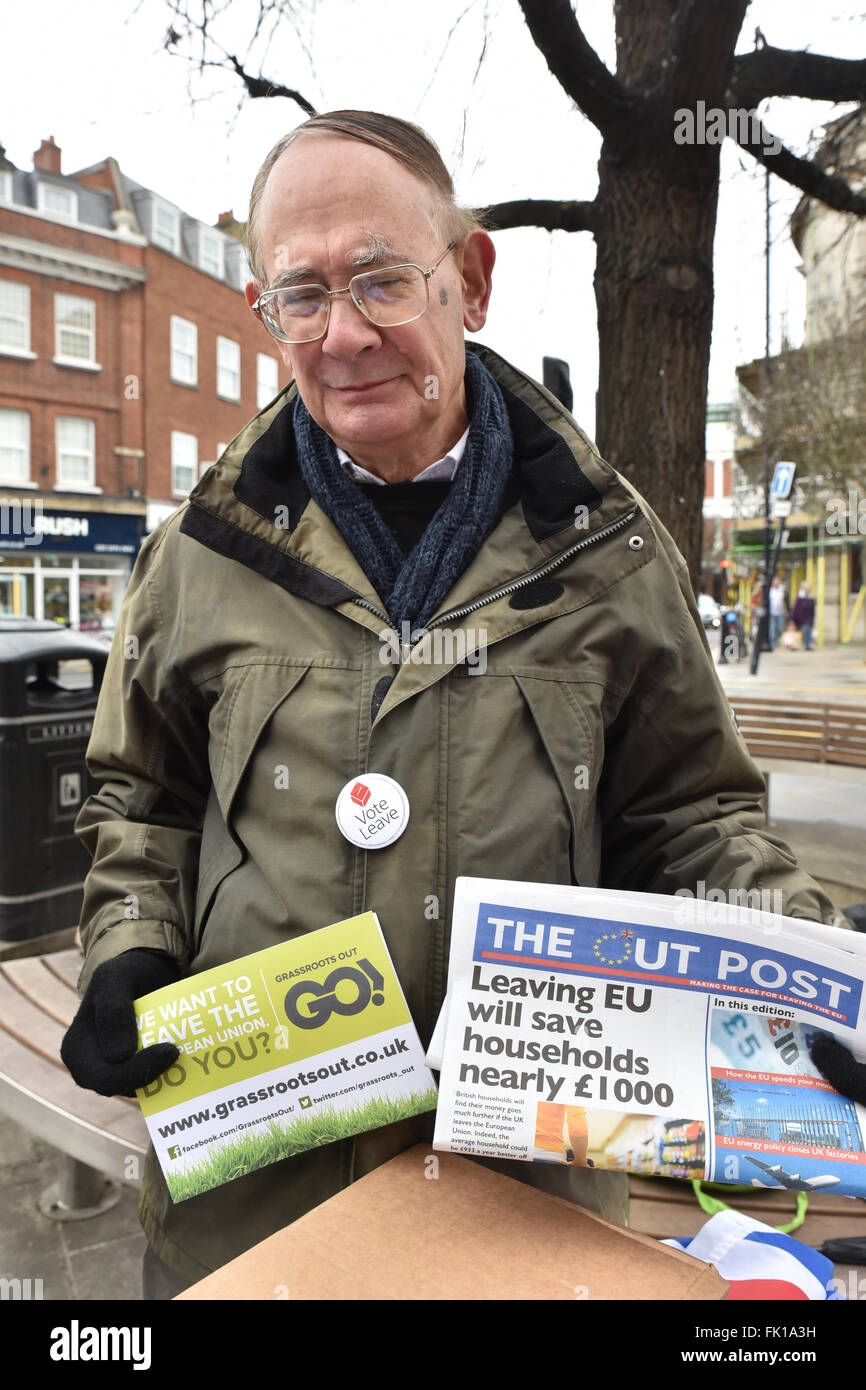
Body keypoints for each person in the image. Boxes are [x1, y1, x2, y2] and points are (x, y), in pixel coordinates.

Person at [60, 110, 854, 1296]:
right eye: (303, 295)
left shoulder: (609, 554)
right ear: (264, 313)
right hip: (249, 1203)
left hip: (515, 1205)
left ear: (468, 281)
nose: (344, 333)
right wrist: (128, 949)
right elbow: (140, 798)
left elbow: (694, 819)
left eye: (381, 280)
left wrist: (811, 972)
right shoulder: (200, 554)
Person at [792, 583, 816, 651]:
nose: (807, 590)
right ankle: (795, 645)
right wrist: (793, 618)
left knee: (807, 631)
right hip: (799, 617)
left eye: (808, 589)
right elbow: (795, 608)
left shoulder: (811, 597)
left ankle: (807, 645)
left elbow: (812, 609)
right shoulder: (799, 597)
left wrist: (812, 618)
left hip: (807, 618)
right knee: (797, 632)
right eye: (806, 588)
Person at [768, 576, 787, 650]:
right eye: (775, 581)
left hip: (780, 612)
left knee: (779, 628)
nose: (776, 582)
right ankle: (773, 643)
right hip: (772, 613)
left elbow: (785, 600)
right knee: (772, 629)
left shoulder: (782, 589)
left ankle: (777, 641)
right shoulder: (770, 590)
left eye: (777, 581)